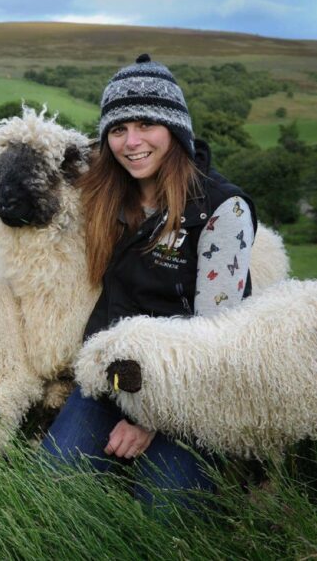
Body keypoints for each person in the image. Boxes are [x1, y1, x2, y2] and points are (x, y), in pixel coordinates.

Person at [41, 54, 257, 504]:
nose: (131, 142)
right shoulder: (104, 199)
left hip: (193, 390)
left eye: (146, 126)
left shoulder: (221, 210)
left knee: (162, 511)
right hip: (113, 378)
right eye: (118, 130)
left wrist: (149, 420)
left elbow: (217, 336)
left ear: (175, 130)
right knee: (52, 487)